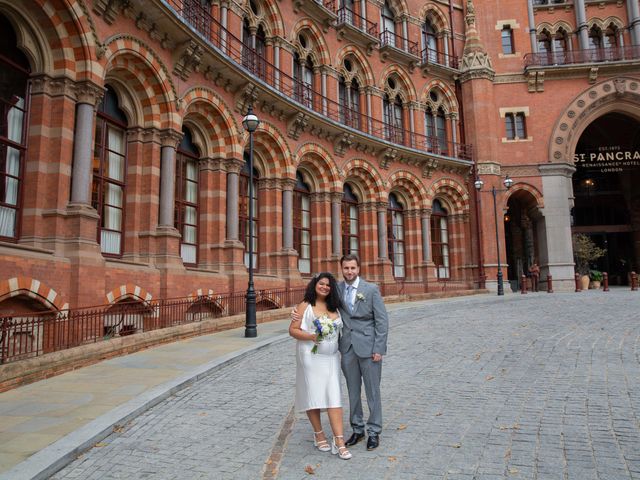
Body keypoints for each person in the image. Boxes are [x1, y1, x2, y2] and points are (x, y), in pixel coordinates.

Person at [289, 273, 352, 460]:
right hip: (310, 357)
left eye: (328, 285)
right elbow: (292, 330)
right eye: (321, 283)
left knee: (334, 397)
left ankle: (339, 441)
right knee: (313, 394)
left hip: (331, 358)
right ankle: (319, 434)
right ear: (314, 285)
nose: (324, 287)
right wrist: (311, 336)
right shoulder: (305, 305)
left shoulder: (336, 307)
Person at [338, 254, 388, 451]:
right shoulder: (338, 289)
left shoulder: (371, 289)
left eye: (352, 268)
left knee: (372, 391)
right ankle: (357, 429)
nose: (349, 271)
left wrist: (379, 348)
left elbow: (382, 321)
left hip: (369, 349)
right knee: (352, 391)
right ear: (341, 269)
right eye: (346, 268)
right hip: (348, 348)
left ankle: (374, 431)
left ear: (358, 269)